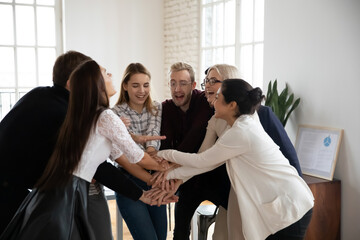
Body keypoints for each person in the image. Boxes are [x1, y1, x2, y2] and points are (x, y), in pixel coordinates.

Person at [0, 60, 171, 240]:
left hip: (61, 188)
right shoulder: (105, 116)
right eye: (105, 73)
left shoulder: (88, 116)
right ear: (95, 84)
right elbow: (137, 157)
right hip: (68, 190)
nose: (111, 75)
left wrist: (151, 186)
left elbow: (119, 158)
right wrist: (171, 169)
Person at [157, 79, 314, 240]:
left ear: (232, 105)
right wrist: (170, 175)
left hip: (291, 205)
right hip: (284, 204)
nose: (213, 101)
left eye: (218, 97)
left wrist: (163, 154)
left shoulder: (241, 132)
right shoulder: (242, 122)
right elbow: (207, 163)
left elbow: (201, 160)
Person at [160, 62, 223, 240]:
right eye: (173, 83)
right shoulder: (166, 107)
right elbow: (165, 142)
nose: (177, 89)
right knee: (180, 231)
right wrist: (168, 170)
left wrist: (169, 167)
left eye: (183, 83)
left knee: (229, 223)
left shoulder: (204, 100)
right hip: (186, 179)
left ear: (194, 85)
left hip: (213, 174)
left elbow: (195, 135)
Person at [111, 63, 168, 240]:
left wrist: (150, 152)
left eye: (146, 85)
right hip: (129, 178)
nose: (142, 90)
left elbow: (153, 136)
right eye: (135, 85)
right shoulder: (115, 113)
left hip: (154, 176)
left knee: (160, 237)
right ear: (125, 86)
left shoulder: (156, 107)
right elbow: (129, 151)